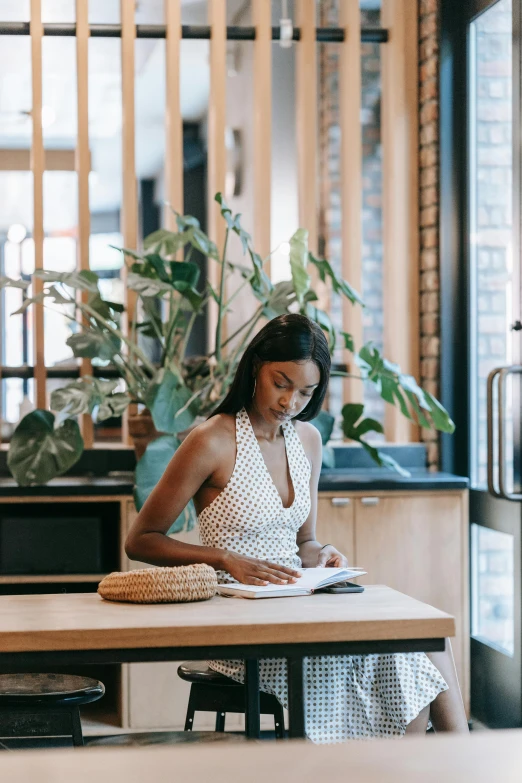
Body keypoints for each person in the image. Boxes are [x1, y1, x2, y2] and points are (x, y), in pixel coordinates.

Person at [125, 313, 468, 743]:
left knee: (427, 639)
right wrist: (224, 558)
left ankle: (445, 767)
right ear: (256, 369)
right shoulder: (212, 439)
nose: (290, 402)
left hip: (301, 602)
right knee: (403, 667)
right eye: (281, 383)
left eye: (305, 391)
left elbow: (303, 541)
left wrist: (322, 553)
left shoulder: (307, 439)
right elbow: (140, 540)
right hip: (240, 621)